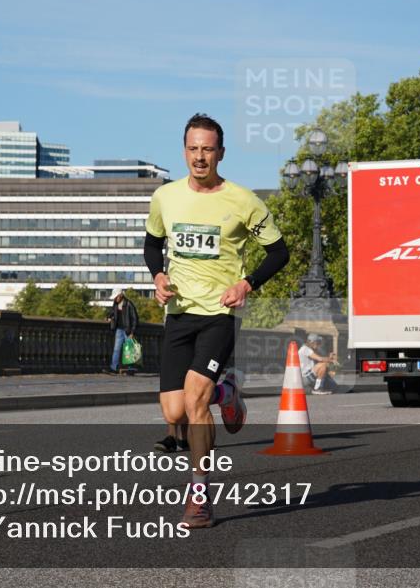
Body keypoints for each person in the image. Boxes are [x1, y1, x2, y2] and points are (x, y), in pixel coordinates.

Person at [143, 113, 289, 528]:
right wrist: (158, 275)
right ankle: (227, 392)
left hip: (219, 314)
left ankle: (199, 495)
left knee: (195, 399)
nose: (200, 157)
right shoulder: (165, 197)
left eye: (208, 149)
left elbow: (279, 252)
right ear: (184, 151)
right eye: (193, 149)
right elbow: (152, 245)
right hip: (178, 313)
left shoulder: (243, 201)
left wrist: (246, 284)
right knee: (174, 411)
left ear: (221, 153)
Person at [103, 287, 138, 375]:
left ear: (121, 295)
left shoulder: (129, 304)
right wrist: (108, 317)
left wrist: (132, 332)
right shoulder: (115, 303)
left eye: (116, 297)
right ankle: (113, 368)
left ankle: (130, 369)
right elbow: (112, 312)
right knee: (116, 349)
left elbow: (135, 318)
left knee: (129, 350)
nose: (115, 299)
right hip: (119, 329)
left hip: (127, 330)